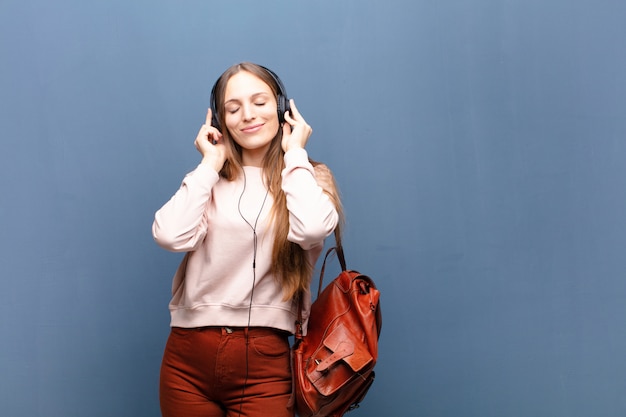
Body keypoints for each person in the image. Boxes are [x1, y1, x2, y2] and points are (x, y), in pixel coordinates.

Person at [152, 62, 343, 417]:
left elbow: (313, 228)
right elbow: (169, 234)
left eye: (260, 102)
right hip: (187, 358)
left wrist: (295, 153)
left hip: (264, 361)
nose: (247, 116)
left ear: (282, 109)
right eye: (233, 108)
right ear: (219, 121)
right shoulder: (208, 179)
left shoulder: (308, 177)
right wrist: (209, 164)